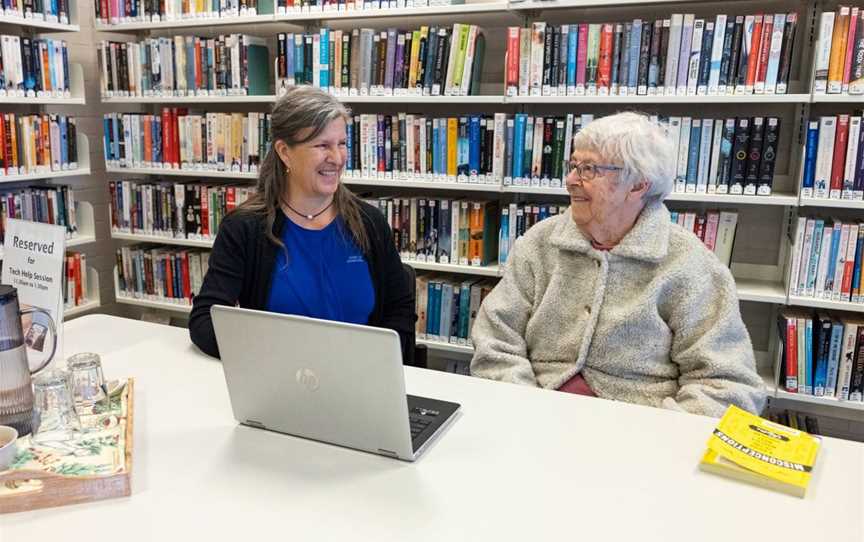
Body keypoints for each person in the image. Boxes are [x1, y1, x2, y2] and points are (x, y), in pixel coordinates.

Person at [470, 112, 766, 417]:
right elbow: (495, 340)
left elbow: (727, 385)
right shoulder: (539, 242)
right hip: (534, 412)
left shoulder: (690, 264)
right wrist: (526, 409)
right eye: (573, 166)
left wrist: (653, 438)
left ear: (638, 185)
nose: (571, 180)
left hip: (640, 428)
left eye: (589, 170)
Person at [189, 85, 413, 361]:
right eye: (322, 145)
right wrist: (276, 357)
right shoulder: (245, 228)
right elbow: (204, 321)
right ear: (285, 152)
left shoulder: (369, 222)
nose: (337, 158)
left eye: (341, 143)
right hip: (283, 382)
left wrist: (380, 365)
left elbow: (399, 310)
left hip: (361, 383)